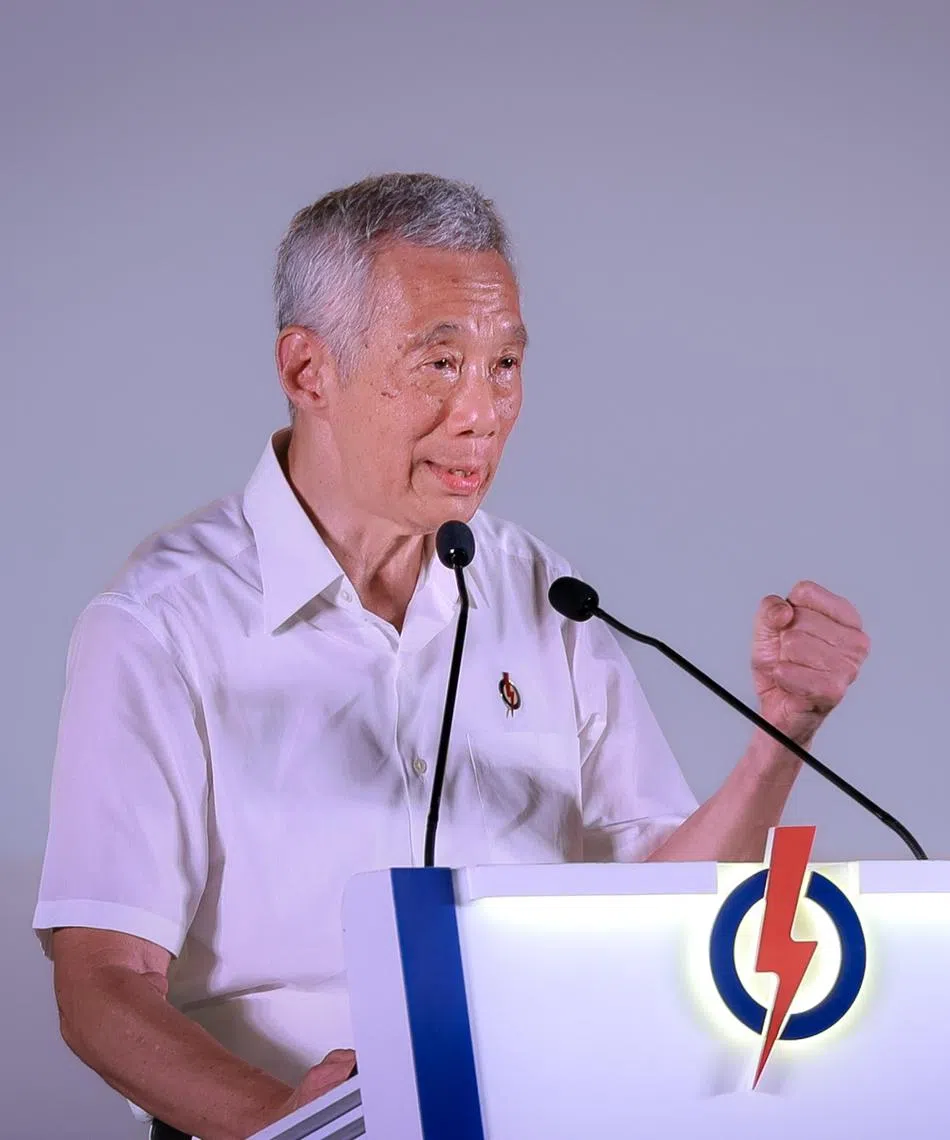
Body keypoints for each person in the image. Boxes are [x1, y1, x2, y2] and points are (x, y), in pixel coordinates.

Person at [33, 173, 870, 1140]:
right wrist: (288, 1125)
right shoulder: (161, 623)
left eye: (504, 363)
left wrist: (778, 739)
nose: (483, 411)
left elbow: (660, 907)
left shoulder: (541, 592)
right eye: (440, 362)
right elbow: (102, 984)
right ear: (308, 371)